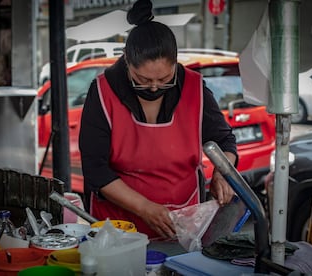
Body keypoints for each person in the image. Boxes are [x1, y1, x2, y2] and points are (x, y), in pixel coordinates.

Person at [79, 0, 238, 239]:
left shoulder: (194, 88)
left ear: (175, 63)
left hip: (184, 227)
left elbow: (224, 141)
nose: (154, 88)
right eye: (143, 80)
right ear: (127, 62)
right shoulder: (102, 92)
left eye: (164, 79)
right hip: (118, 230)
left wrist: (222, 171)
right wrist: (145, 208)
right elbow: (95, 170)